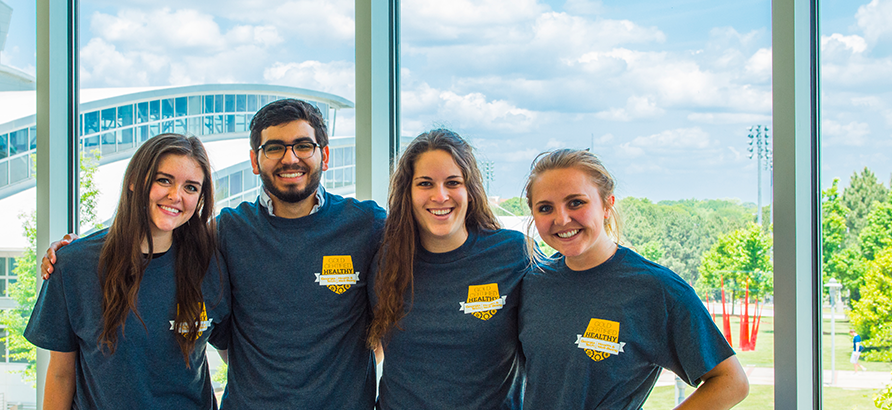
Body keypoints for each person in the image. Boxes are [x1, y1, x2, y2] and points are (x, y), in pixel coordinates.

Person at [41, 99, 385, 409]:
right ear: (255, 160)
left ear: (323, 155)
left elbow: (402, 304)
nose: (289, 158)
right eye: (275, 147)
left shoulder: (367, 225)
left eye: (303, 146)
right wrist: (73, 251)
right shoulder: (226, 233)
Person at [518, 148, 749, 409]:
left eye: (576, 203)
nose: (561, 218)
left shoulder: (657, 290)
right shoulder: (534, 282)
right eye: (546, 208)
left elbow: (731, 381)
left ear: (607, 205)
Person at [24, 134, 230, 409]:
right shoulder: (75, 266)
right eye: (164, 180)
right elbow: (61, 374)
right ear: (134, 181)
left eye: (191, 187)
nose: (176, 196)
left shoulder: (211, 265)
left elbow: (240, 359)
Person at [367, 129, 526, 409]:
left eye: (453, 182)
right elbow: (374, 347)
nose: (440, 196)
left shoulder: (513, 254)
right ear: (408, 192)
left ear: (470, 190)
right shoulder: (386, 262)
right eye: (425, 184)